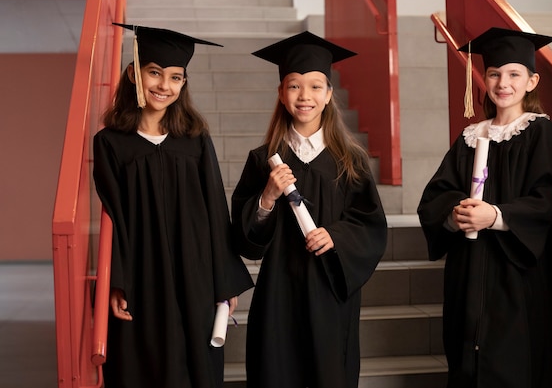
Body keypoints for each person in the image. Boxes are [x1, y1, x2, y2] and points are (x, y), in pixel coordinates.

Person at [93, 23, 254, 388]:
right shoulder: (110, 144)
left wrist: (224, 282)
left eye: (176, 77)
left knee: (197, 362)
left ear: (184, 83)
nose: (164, 86)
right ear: (134, 73)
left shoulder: (195, 140)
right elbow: (113, 214)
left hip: (195, 273)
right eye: (155, 73)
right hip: (142, 272)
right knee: (144, 362)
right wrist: (116, 283)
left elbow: (216, 211)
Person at [417, 27, 552, 388]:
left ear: (532, 82)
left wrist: (495, 215)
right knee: (466, 353)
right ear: (484, 79)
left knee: (511, 359)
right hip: (469, 266)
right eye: (494, 73)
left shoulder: (540, 132)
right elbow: (436, 195)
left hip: (516, 268)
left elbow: (544, 198)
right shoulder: (470, 137)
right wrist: (454, 213)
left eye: (513, 74)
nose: (502, 82)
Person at [231, 31, 388, 388]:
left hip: (330, 292)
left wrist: (335, 235)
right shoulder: (263, 161)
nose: (305, 96)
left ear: (330, 94)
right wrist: (266, 199)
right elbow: (245, 239)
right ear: (281, 94)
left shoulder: (351, 161)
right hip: (278, 292)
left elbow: (371, 226)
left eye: (316, 86)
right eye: (294, 86)